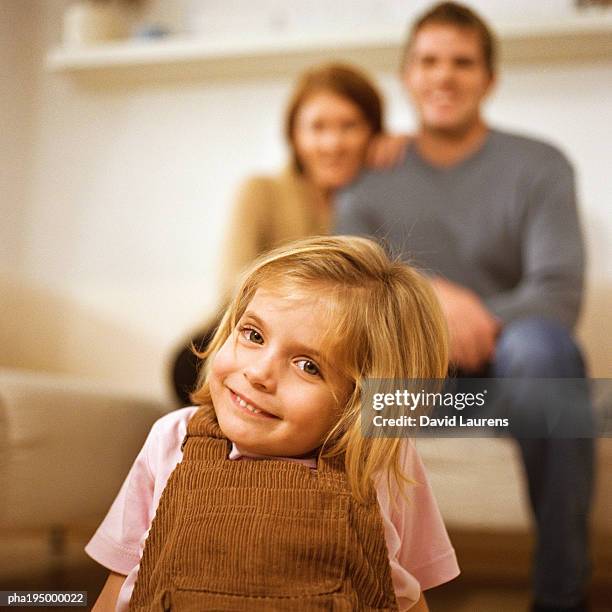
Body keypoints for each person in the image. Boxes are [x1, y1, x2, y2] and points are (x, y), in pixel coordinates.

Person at [335, 3, 594, 611]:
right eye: (428, 61)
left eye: (462, 62)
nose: (444, 76)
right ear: (406, 76)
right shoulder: (368, 181)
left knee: (544, 349)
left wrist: (472, 316)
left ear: (489, 78)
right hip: (411, 388)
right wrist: (432, 305)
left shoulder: (539, 166)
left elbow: (557, 293)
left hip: (510, 387)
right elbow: (356, 303)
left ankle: (562, 597)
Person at [87, 236, 459, 611]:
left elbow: (410, 596)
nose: (259, 373)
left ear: (358, 402)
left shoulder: (381, 461)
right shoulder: (171, 438)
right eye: (253, 335)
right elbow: (119, 584)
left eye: (308, 366)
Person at [171, 63, 408, 405]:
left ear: (374, 134)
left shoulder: (382, 198)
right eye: (317, 128)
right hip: (262, 337)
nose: (332, 143)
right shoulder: (261, 190)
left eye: (350, 126)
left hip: (344, 348)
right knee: (189, 364)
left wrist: (410, 159)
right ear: (294, 136)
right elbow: (233, 283)